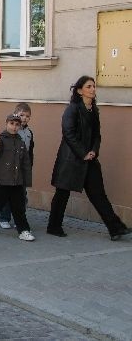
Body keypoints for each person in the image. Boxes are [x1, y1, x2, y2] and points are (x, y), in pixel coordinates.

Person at [47, 75, 131, 241]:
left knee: (98, 194)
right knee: (62, 194)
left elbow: (97, 135)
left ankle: (115, 228)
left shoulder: (94, 110)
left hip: (89, 160)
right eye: (88, 86)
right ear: (79, 91)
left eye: (93, 86)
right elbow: (68, 133)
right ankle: (54, 226)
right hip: (70, 159)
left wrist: (93, 151)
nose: (93, 89)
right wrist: (83, 152)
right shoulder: (72, 109)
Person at [0, 113, 35, 242]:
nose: (14, 127)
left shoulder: (21, 142)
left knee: (18, 206)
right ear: (6, 123)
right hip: (2, 179)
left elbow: (25, 163)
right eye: (11, 124)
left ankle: (23, 230)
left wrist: (26, 180)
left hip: (17, 180)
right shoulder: (0, 138)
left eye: (17, 124)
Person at [0, 102, 34, 229]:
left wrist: (29, 167)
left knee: (21, 195)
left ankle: (19, 219)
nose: (24, 118)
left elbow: (30, 152)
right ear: (15, 115)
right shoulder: (11, 132)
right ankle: (3, 217)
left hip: (22, 169)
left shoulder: (29, 133)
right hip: (10, 168)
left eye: (27, 116)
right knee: (7, 195)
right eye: (22, 115)